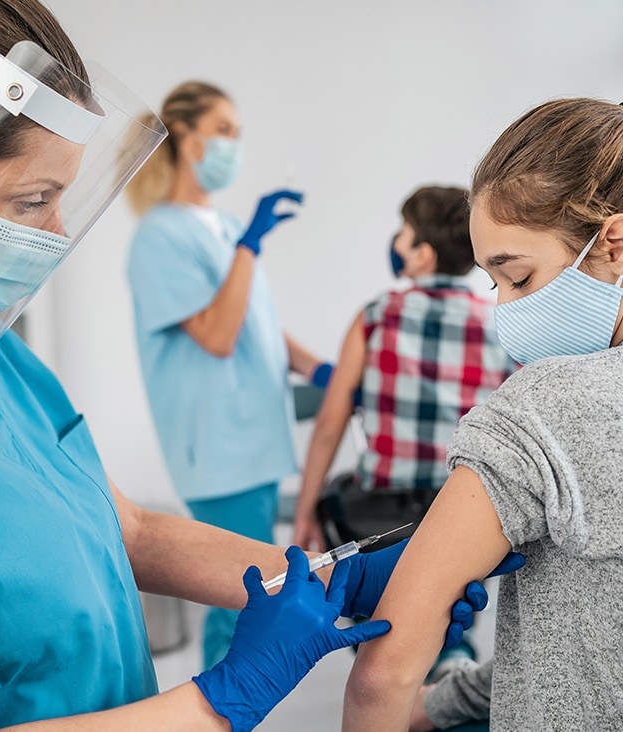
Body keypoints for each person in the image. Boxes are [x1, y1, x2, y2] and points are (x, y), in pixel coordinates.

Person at [0, 0, 498, 729]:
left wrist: (333, 580)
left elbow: (131, 532)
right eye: (34, 200)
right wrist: (226, 695)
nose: (52, 235)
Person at [342, 97, 623, 730]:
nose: (505, 309)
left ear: (614, 243)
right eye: (492, 284)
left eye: (517, 277)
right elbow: (587, 645)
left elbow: (383, 674)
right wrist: (442, 707)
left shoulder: (541, 407)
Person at [124, 81, 332, 670]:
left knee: (249, 592)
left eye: (237, 133)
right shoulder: (160, 236)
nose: (233, 145)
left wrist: (318, 367)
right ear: (185, 140)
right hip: (218, 446)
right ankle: (221, 711)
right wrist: (249, 245)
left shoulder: (222, 225)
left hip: (253, 439)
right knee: (241, 597)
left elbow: (255, 322)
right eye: (223, 131)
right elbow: (217, 336)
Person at [292, 186, 514, 554]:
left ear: (422, 255)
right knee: (452, 602)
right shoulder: (499, 322)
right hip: (463, 508)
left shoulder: (377, 315)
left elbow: (331, 424)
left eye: (403, 232)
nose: (396, 242)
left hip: (382, 515)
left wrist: (303, 515)